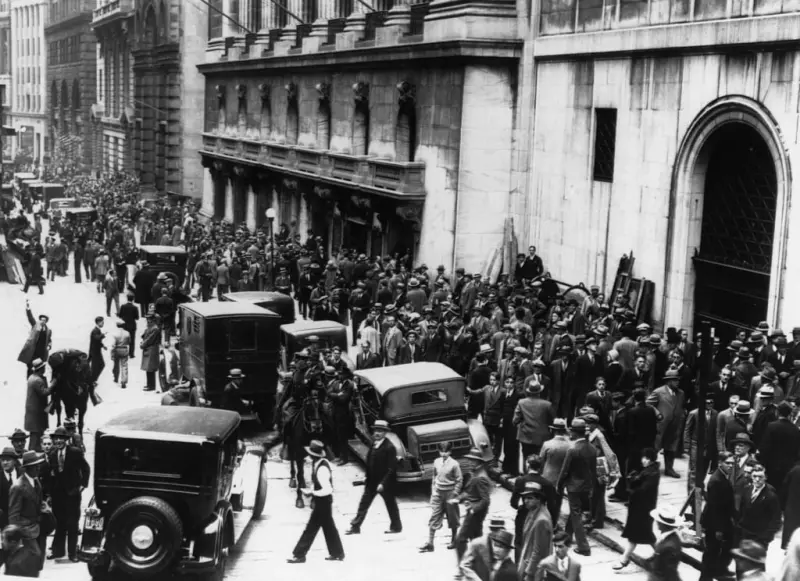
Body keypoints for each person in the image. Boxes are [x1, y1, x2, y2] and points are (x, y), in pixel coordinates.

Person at [286, 440, 345, 563]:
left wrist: (313, 493)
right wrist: (311, 490)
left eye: (310, 455)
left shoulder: (321, 469)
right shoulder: (320, 464)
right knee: (329, 528)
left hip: (323, 502)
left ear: (313, 456)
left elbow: (328, 490)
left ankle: (299, 554)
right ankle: (337, 553)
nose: (308, 457)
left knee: (311, 528)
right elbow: (318, 485)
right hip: (324, 501)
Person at [346, 420, 402, 535]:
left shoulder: (389, 447)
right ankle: (355, 526)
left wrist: (383, 483)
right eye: (376, 430)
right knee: (364, 503)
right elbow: (370, 462)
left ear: (385, 433)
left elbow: (391, 468)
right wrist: (367, 477)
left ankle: (396, 526)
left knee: (390, 504)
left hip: (384, 482)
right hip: (372, 481)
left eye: (380, 431)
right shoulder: (374, 444)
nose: (377, 433)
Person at [45, 427, 89, 562]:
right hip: (58, 495)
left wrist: (82, 485)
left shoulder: (75, 452)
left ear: (66, 440)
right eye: (56, 438)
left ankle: (72, 554)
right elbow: (51, 476)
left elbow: (85, 468)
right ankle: (58, 551)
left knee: (72, 524)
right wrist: (50, 495)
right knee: (59, 523)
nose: (58, 441)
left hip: (72, 494)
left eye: (61, 438)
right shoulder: (52, 454)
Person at [613, 447, 660, 570]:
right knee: (646, 535)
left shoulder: (652, 473)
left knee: (636, 536)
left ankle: (624, 559)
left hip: (642, 509)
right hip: (641, 508)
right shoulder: (649, 471)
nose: (643, 460)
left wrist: (632, 486)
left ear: (650, 459)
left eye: (645, 458)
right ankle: (660, 554)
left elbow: (643, 490)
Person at [557, 418, 595, 557]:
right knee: (575, 513)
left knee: (576, 514)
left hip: (573, 487)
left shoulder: (572, 449)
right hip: (586, 486)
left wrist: (559, 485)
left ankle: (583, 546)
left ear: (575, 433)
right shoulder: (592, 448)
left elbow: (565, 470)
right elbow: (593, 470)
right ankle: (567, 537)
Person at [512, 454, 558, 561]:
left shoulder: (520, 480)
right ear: (540, 467)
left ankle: (519, 568)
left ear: (527, 465)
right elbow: (552, 506)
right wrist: (553, 523)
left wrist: (521, 506)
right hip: (540, 515)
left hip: (523, 515)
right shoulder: (547, 483)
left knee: (519, 542)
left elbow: (513, 502)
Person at [8, 451, 49, 569]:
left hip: (38, 528)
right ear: (27, 468)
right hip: (26, 530)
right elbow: (13, 515)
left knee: (39, 562)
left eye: (38, 465)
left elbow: (38, 503)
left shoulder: (36, 482)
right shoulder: (18, 487)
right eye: (35, 466)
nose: (38, 468)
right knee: (33, 557)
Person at [419, 441, 462, 553]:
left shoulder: (454, 464)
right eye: (441, 451)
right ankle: (430, 543)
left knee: (453, 517)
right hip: (438, 492)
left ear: (450, 452)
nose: (443, 454)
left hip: (450, 493)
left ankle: (454, 539)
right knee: (434, 516)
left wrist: (455, 493)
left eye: (446, 451)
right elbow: (434, 476)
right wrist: (433, 490)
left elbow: (459, 480)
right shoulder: (436, 462)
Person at [699, 452, 736, 581]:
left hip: (719, 521)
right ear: (720, 463)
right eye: (728, 463)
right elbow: (715, 507)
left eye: (732, 463)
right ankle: (705, 578)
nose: (731, 466)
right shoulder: (717, 480)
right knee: (711, 553)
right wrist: (719, 529)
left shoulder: (722, 476)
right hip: (714, 524)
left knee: (716, 551)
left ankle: (715, 572)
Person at [452, 447, 492, 562]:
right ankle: (480, 565)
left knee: (460, 540)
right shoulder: (475, 473)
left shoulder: (480, 477)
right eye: (469, 460)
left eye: (472, 460)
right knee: (476, 539)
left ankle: (463, 566)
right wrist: (458, 499)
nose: (469, 463)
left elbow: (485, 500)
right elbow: (470, 492)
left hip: (475, 513)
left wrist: (473, 509)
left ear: (478, 461)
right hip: (474, 510)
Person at [738, 464, 782, 548]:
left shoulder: (771, 496)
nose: (757, 479)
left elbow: (776, 519)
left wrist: (766, 537)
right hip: (745, 534)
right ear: (751, 477)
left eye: (760, 477)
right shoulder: (747, 490)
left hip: (760, 538)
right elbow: (741, 510)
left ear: (765, 477)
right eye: (755, 476)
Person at [517, 481, 553, 581]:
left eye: (530, 498)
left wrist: (529, 573)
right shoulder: (533, 511)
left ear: (539, 499)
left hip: (535, 568)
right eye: (525, 498)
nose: (525, 501)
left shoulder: (541, 520)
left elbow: (538, 551)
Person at [514, 382, 555, 459]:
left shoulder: (521, 402)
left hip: (526, 436)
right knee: (540, 457)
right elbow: (552, 421)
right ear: (539, 392)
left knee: (526, 457)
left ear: (528, 391)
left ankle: (527, 470)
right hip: (542, 436)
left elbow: (515, 420)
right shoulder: (547, 404)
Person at [648, 506, 684, 581]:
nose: (656, 523)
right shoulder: (668, 538)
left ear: (662, 524)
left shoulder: (670, 546)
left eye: (658, 521)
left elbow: (670, 572)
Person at [17, 302, 51, 378]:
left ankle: (38, 381)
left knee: (40, 367)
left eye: (44, 320)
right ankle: (29, 380)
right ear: (39, 320)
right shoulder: (35, 325)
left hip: (42, 352)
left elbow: (49, 340)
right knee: (30, 366)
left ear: (46, 321)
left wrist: (49, 345)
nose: (42, 321)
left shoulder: (48, 330)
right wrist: (28, 309)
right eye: (41, 320)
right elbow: (30, 318)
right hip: (33, 351)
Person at [24, 360, 52, 453]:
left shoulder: (32, 377)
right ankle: (32, 452)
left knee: (36, 433)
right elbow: (44, 393)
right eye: (43, 367)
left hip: (34, 411)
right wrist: (54, 383)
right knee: (36, 434)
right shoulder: (37, 380)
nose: (44, 369)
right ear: (41, 369)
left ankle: (35, 450)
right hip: (36, 412)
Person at [0, 448, 20, 530]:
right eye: (3, 460)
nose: (5, 463)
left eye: (8, 460)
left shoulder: (23, 474)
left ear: (15, 461)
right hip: (4, 518)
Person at [140, 315, 161, 392]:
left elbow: (150, 339)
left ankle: (151, 386)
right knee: (148, 369)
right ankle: (149, 384)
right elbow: (145, 336)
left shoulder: (155, 328)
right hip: (149, 349)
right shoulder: (150, 327)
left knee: (150, 368)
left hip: (152, 350)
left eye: (148, 319)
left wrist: (143, 344)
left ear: (152, 320)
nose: (147, 320)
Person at [110, 320, 131, 389]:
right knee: (124, 365)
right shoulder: (127, 333)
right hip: (124, 349)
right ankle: (123, 381)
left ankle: (116, 378)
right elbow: (129, 342)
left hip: (117, 349)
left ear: (117, 325)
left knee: (116, 365)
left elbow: (113, 345)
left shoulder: (115, 333)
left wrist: (112, 353)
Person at [118, 293, 139, 359]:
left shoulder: (123, 306)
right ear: (133, 299)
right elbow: (137, 318)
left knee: (124, 340)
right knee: (132, 340)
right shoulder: (135, 307)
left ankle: (124, 353)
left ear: (127, 298)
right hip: (132, 325)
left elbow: (120, 315)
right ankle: (131, 354)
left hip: (124, 325)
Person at [88, 316, 106, 384]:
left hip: (96, 351)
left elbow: (97, 341)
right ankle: (92, 380)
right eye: (102, 322)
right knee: (97, 366)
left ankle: (93, 380)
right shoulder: (95, 330)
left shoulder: (97, 330)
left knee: (98, 366)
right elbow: (96, 338)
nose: (103, 323)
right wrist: (103, 335)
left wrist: (102, 345)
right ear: (98, 322)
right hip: (95, 352)